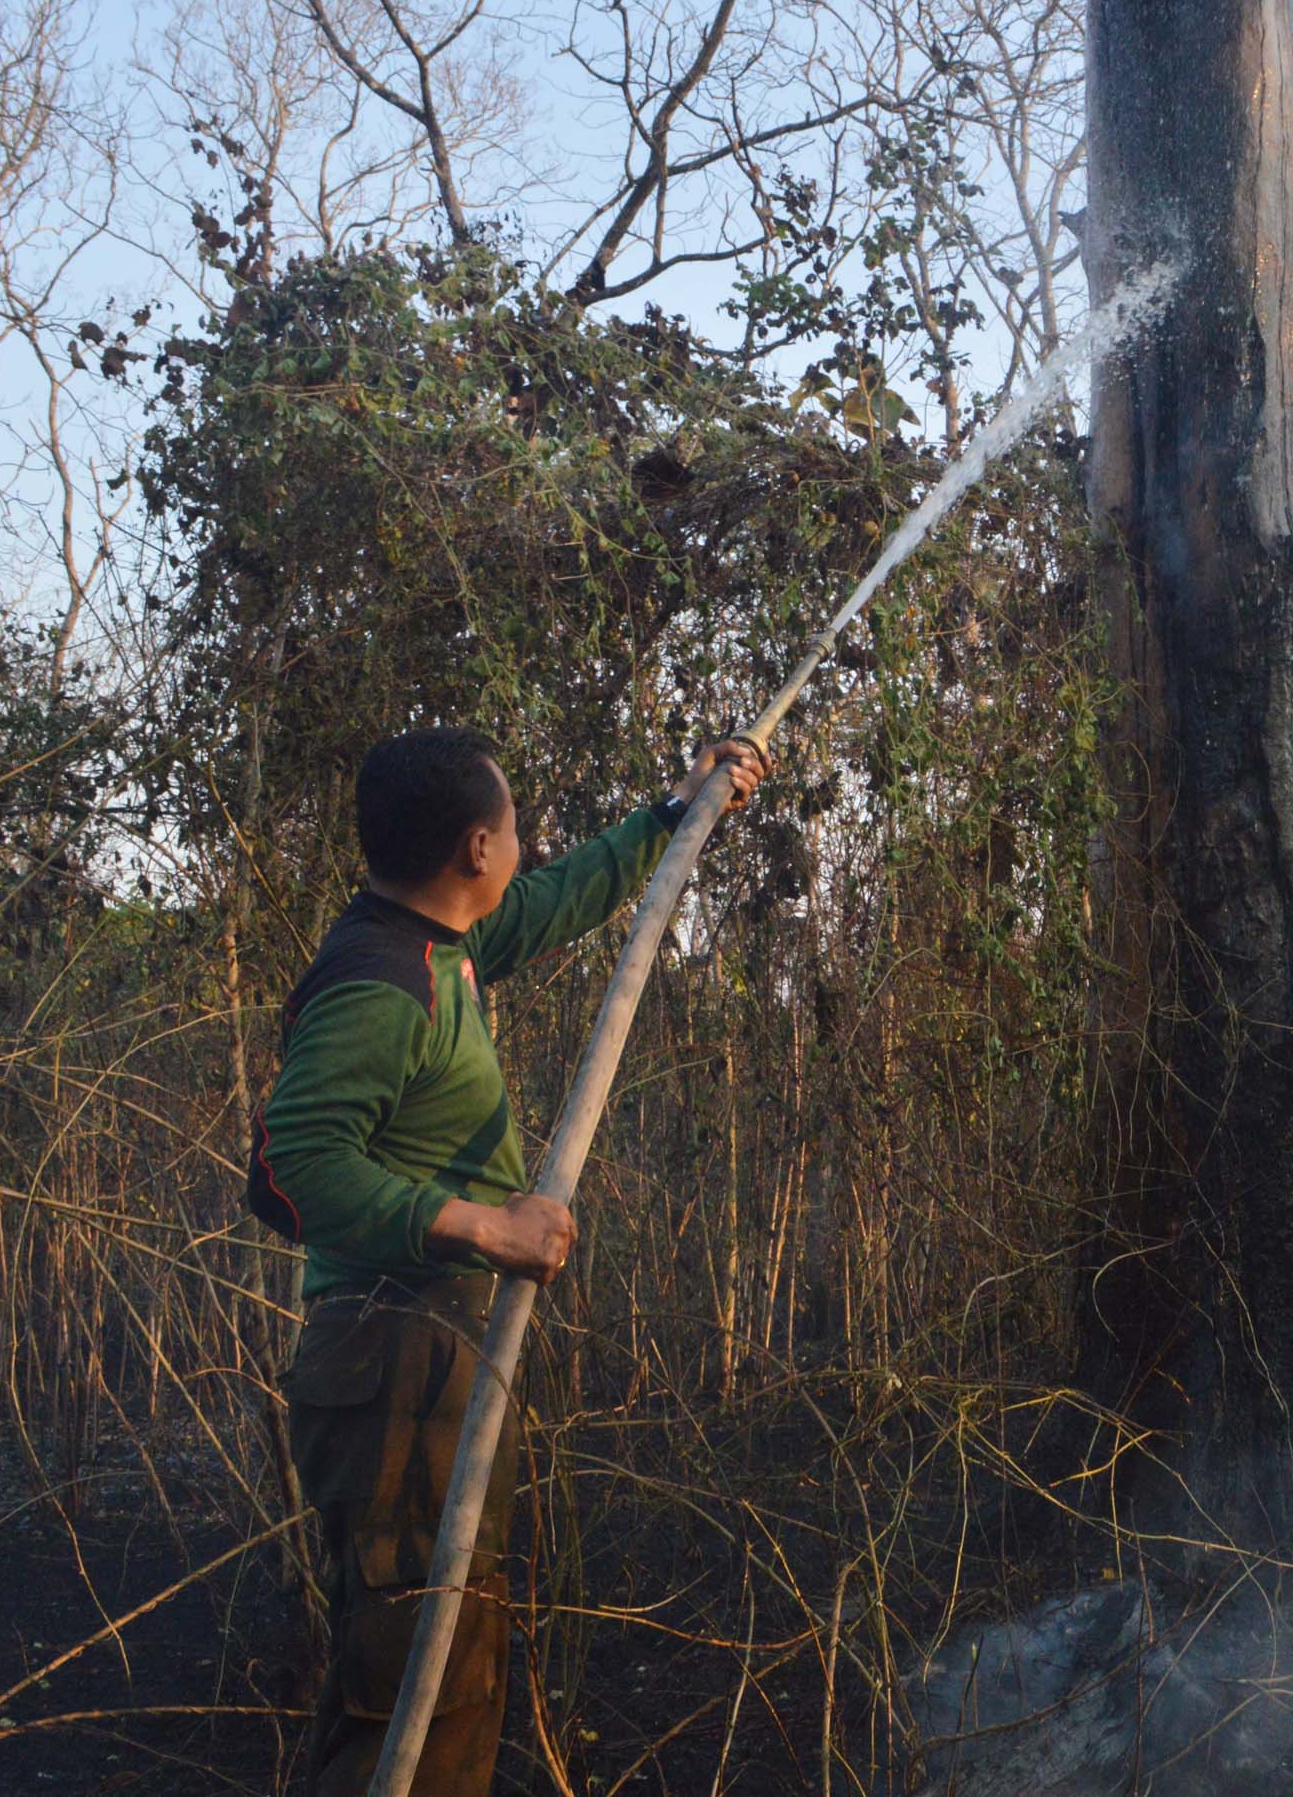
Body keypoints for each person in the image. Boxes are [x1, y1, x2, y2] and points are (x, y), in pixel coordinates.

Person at [247, 726, 768, 1795]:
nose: (527, 849)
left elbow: (556, 899)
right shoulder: (385, 985)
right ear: (477, 849)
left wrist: (679, 815)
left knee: (441, 1666)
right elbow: (289, 1169)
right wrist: (483, 1226)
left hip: (425, 1358)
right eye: (516, 827)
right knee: (417, 1685)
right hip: (391, 1359)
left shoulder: (438, 944)